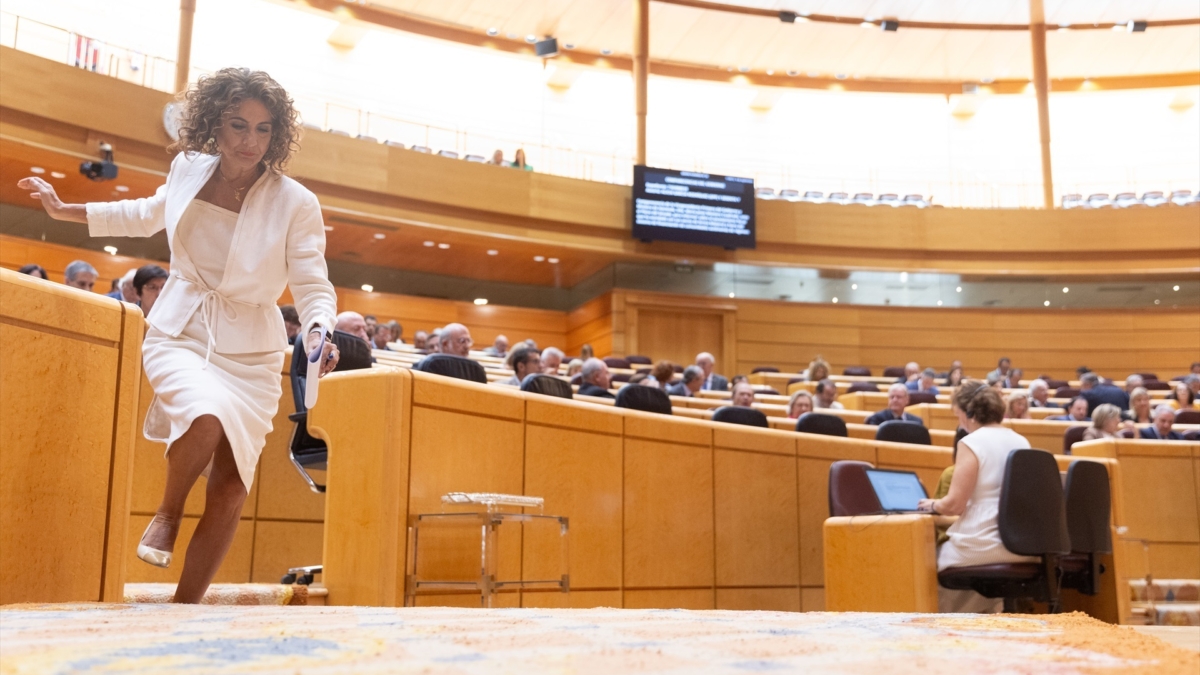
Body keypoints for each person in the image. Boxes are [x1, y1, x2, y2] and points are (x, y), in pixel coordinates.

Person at [19, 67, 339, 604]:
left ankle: (184, 607)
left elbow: (312, 282)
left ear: (277, 135)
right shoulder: (189, 167)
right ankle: (166, 513)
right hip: (181, 328)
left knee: (232, 489)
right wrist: (63, 208)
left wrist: (318, 331)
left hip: (253, 352)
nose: (249, 141)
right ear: (214, 121)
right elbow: (145, 213)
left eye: (263, 130)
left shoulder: (296, 202)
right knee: (204, 412)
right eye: (238, 125)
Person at [917, 380, 1036, 614]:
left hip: (985, 541)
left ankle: (937, 629)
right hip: (1022, 542)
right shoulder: (1021, 441)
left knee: (923, 559)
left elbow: (954, 505)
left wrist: (932, 504)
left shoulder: (971, 442)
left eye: (958, 415)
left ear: (969, 413)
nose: (960, 422)